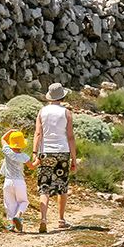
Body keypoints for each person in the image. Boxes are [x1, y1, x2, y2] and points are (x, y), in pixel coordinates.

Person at [32, 83, 77, 233]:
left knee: (44, 187)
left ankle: (43, 219)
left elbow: (38, 134)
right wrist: (74, 159)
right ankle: (61, 220)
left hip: (45, 152)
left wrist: (34, 153)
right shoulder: (67, 113)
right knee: (62, 186)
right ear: (62, 96)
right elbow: (70, 137)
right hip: (62, 152)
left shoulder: (42, 112)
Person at [0, 129, 32, 233]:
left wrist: (10, 131)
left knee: (10, 203)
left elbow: (3, 139)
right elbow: (32, 167)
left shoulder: (7, 151)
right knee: (23, 201)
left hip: (8, 181)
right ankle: (18, 216)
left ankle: (12, 225)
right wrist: (38, 161)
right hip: (19, 181)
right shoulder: (23, 156)